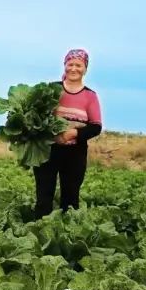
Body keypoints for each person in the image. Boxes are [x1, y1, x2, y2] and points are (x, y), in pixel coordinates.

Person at [33, 49, 102, 219]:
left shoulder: (90, 96)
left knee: (70, 200)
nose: (73, 68)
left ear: (85, 69)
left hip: (75, 154)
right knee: (44, 197)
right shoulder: (52, 89)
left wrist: (72, 133)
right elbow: (37, 115)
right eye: (70, 64)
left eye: (78, 65)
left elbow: (96, 126)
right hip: (47, 151)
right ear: (64, 66)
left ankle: (68, 236)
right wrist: (52, 134)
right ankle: (39, 233)